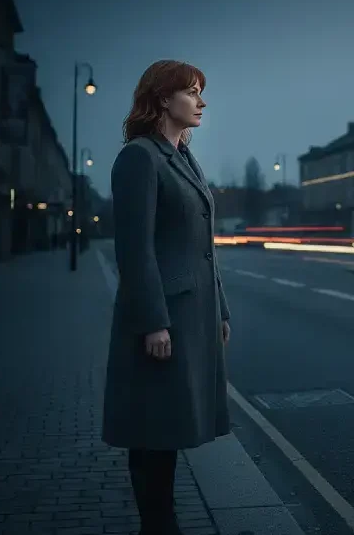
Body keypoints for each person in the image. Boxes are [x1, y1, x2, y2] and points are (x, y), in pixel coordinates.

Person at [102, 60, 232, 535]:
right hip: (163, 318)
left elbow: (203, 244)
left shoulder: (182, 156)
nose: (201, 102)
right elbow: (135, 251)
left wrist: (220, 309)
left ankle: (163, 526)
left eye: (200, 92)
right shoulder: (139, 157)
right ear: (162, 99)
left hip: (193, 314)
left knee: (169, 426)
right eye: (192, 92)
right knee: (153, 430)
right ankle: (159, 527)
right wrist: (153, 321)